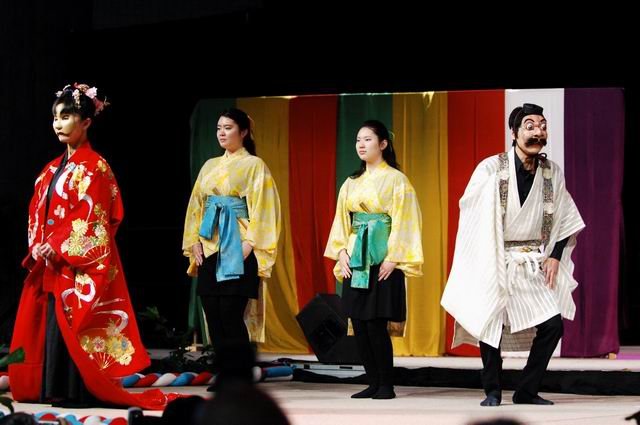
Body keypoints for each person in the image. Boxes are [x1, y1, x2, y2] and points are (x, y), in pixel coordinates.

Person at [9, 83, 164, 409]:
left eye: (66, 117)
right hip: (53, 262)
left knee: (76, 324)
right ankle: (55, 388)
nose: (58, 124)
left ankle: (78, 390)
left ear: (86, 122)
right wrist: (37, 245)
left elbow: (95, 214)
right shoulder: (50, 170)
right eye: (55, 117)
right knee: (53, 325)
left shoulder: (96, 166)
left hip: (78, 263)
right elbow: (37, 211)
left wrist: (58, 245)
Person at [441, 103, 585, 406]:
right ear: (514, 132)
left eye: (542, 126)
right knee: (491, 322)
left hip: (531, 260)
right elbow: (471, 208)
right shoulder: (491, 168)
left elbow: (566, 216)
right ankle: (492, 390)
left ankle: (526, 390)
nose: (538, 132)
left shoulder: (552, 172)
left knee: (553, 325)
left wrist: (555, 255)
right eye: (530, 126)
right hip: (495, 254)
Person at [182, 108, 281, 390]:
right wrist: (194, 241)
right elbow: (196, 205)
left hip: (238, 245)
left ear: (244, 132)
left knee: (230, 313)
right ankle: (224, 372)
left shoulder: (254, 165)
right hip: (210, 245)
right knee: (213, 313)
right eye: (219, 128)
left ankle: (239, 376)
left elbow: (265, 206)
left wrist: (251, 243)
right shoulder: (209, 165)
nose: (222, 133)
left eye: (228, 127)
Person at [324, 120, 423, 399]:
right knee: (359, 322)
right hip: (357, 258)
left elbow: (407, 220)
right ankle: (372, 381)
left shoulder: (396, 180)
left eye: (368, 139)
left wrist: (394, 258)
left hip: (383, 260)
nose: (361, 144)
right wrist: (341, 252)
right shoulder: (351, 182)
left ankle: (386, 384)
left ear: (383, 144)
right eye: (358, 139)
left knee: (375, 323)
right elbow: (341, 221)